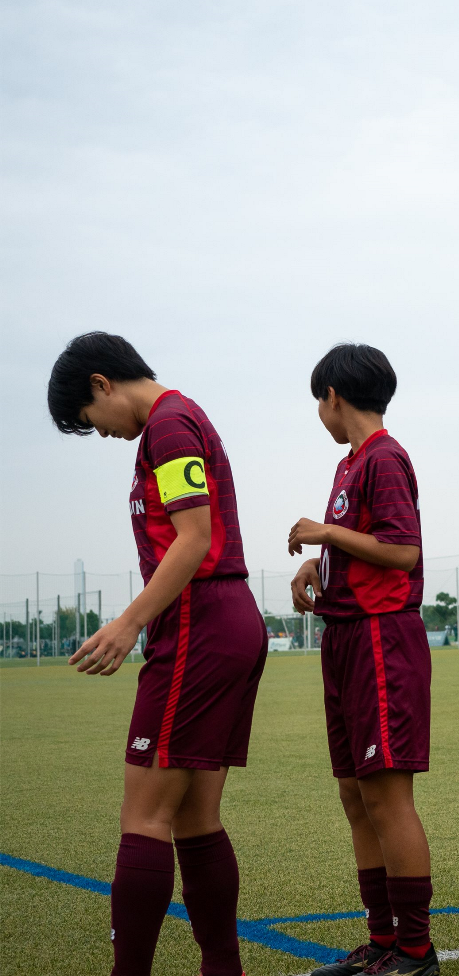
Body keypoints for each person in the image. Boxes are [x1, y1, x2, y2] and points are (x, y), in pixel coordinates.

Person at [47, 332, 267, 976]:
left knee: (143, 816)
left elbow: (194, 539)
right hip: (224, 622)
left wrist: (127, 622)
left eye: (91, 422)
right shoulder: (179, 420)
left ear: (100, 383)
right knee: (196, 817)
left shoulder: (169, 426)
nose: (103, 434)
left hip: (201, 623)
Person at [289, 344, 438, 975]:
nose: (319, 415)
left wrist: (325, 536)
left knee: (386, 798)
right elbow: (365, 547)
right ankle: (381, 942)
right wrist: (316, 567)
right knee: (355, 795)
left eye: (318, 403)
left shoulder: (384, 457)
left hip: (382, 639)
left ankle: (415, 950)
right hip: (345, 635)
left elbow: (402, 553)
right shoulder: (350, 464)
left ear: (333, 396)